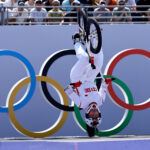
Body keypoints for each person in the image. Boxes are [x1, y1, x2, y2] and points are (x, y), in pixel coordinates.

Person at [65, 33, 113, 137]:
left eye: (92, 115)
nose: (95, 112)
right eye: (97, 115)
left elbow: (68, 90)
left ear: (87, 115)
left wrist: (75, 85)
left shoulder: (81, 104)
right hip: (90, 78)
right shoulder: (101, 101)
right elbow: (104, 87)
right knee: (99, 62)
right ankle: (94, 38)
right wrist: (107, 82)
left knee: (85, 59)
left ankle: (76, 41)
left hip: (77, 78)